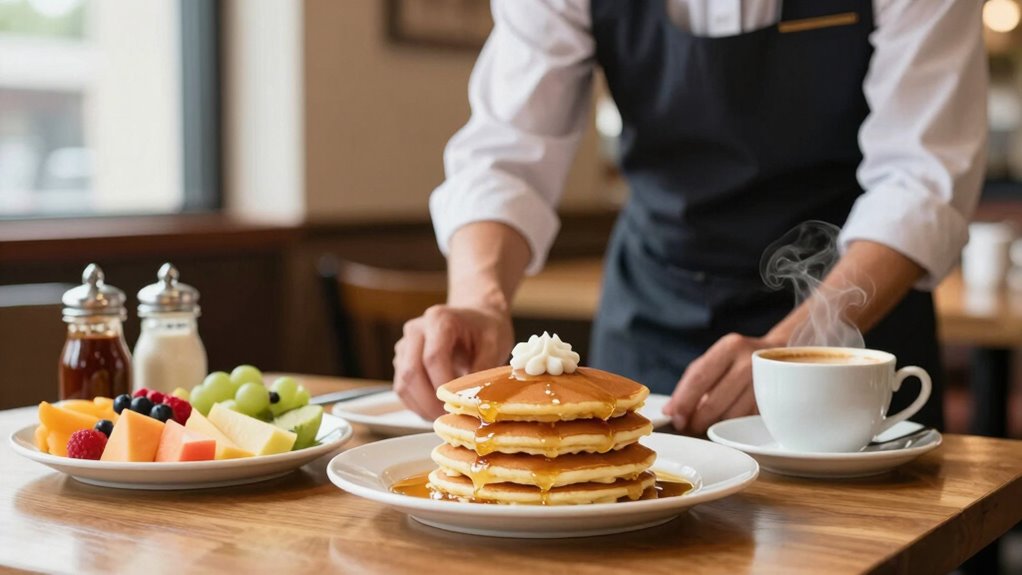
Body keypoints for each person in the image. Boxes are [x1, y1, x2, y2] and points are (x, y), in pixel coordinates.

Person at [393, 0, 986, 435]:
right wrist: (480, 299)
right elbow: (508, 153)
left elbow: (920, 179)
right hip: (654, 310)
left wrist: (796, 351)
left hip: (851, 333)